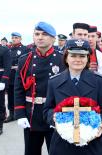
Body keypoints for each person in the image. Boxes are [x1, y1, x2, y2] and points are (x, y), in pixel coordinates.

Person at [43, 39, 102, 155]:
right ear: (66, 57)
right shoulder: (54, 82)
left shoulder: (100, 81)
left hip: (92, 143)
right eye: (73, 55)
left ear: (87, 59)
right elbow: (47, 109)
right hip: (62, 143)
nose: (77, 60)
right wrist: (53, 117)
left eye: (82, 56)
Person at [14, 21, 65, 155]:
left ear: (53, 38)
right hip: (32, 113)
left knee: (56, 151)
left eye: (44, 34)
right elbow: (18, 88)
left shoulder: (63, 59)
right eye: (37, 34)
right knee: (31, 151)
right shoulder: (25, 60)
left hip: (55, 113)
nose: (40, 37)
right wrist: (20, 113)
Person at [4, 32, 28, 123]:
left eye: (16, 38)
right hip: (10, 75)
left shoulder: (25, 49)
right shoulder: (8, 49)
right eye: (13, 38)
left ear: (20, 39)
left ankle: (22, 112)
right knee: (10, 95)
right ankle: (11, 114)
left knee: (21, 94)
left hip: (21, 75)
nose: (14, 39)